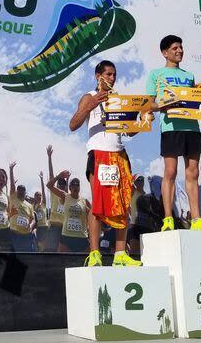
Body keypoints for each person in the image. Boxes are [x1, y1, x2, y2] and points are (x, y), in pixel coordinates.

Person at [68, 60, 141, 266]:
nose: (112, 78)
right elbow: (73, 124)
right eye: (108, 74)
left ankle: (120, 255)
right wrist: (91, 105)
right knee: (98, 205)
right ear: (97, 76)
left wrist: (144, 119)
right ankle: (94, 253)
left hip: (119, 154)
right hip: (99, 154)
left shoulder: (118, 100)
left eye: (114, 75)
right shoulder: (89, 97)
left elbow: (130, 131)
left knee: (123, 203)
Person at [146, 35, 201, 231]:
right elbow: (149, 104)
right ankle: (168, 218)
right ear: (165, 52)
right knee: (170, 172)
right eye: (175, 48)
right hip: (171, 127)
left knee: (193, 173)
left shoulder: (189, 76)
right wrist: (163, 104)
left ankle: (196, 219)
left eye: (181, 48)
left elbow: (195, 102)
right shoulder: (156, 74)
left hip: (192, 127)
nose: (180, 51)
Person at [47, 171, 90, 253]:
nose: (75, 186)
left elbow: (93, 215)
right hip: (67, 236)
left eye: (77, 185)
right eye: (73, 185)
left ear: (79, 188)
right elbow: (49, 185)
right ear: (69, 188)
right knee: (61, 262)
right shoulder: (65, 196)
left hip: (81, 237)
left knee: (87, 262)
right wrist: (58, 177)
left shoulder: (85, 201)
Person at [8, 163, 36, 252]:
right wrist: (11, 170)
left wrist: (31, 226)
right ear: (16, 191)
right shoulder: (13, 198)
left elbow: (33, 219)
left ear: (25, 192)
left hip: (25, 235)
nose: (20, 192)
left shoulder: (29, 205)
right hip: (14, 234)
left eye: (22, 190)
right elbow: (12, 185)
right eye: (19, 190)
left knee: (25, 257)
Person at [45, 145, 65, 252]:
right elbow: (51, 175)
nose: (61, 186)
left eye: (63, 184)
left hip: (64, 230)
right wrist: (49, 157)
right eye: (59, 184)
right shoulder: (54, 193)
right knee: (51, 250)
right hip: (54, 228)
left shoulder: (68, 197)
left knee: (62, 252)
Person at [33, 174, 51, 252]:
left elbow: (44, 191)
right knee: (39, 244)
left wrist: (41, 179)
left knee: (46, 244)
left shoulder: (43, 203)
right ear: (35, 197)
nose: (39, 197)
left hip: (45, 226)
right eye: (37, 195)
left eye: (40, 195)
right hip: (39, 227)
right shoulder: (33, 206)